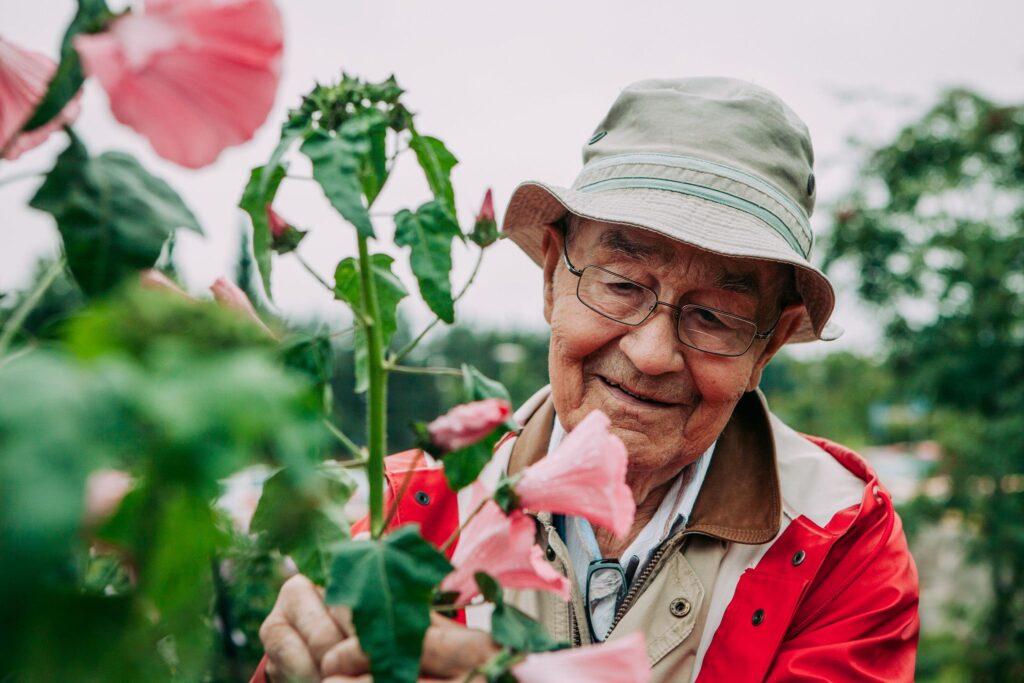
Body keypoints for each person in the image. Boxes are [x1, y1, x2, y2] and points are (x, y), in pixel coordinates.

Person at [254, 78, 920, 682]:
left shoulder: (837, 534)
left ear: (769, 343)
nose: (654, 351)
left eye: (714, 316)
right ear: (552, 277)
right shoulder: (402, 508)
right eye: (622, 284)